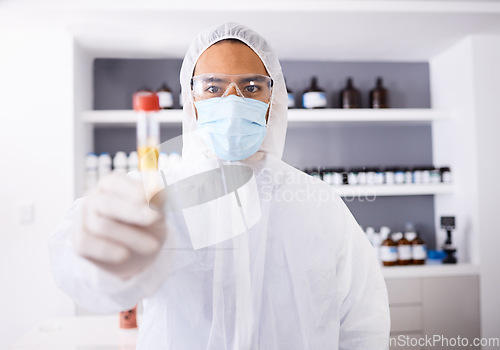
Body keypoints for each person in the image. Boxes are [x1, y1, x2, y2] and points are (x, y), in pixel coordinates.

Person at [49, 22, 390, 349]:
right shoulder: (155, 192)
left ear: (274, 98)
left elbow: (363, 321)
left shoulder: (319, 203)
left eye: (251, 87)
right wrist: (99, 246)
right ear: (192, 98)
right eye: (213, 87)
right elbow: (81, 274)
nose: (231, 100)